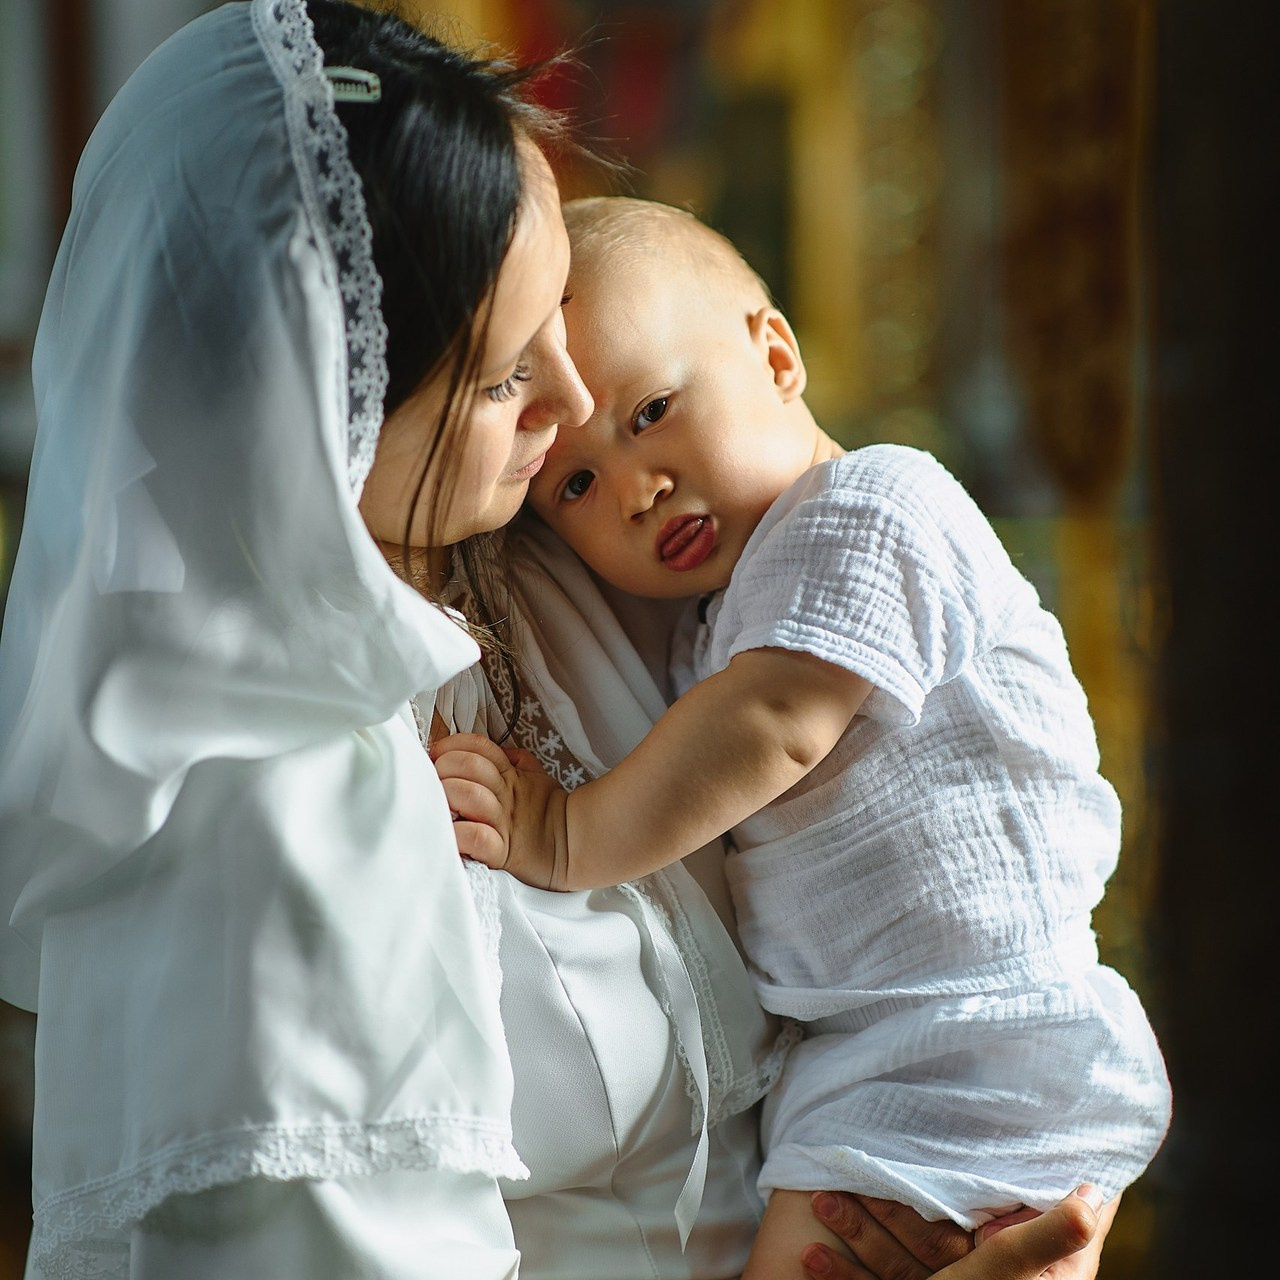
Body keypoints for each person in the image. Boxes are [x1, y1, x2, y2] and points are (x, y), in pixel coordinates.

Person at [0, 0, 1118, 1275]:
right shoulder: (261, 838)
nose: (575, 404)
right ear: (310, 410)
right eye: (502, 376)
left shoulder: (563, 566)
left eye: (561, 329)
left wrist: (1000, 1182)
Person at [436, 196, 1172, 1277]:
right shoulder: (708, 624)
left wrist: (564, 834)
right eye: (577, 484)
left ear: (775, 356)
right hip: (868, 1050)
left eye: (652, 412)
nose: (637, 489)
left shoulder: (869, 508)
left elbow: (773, 724)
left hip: (977, 1030)